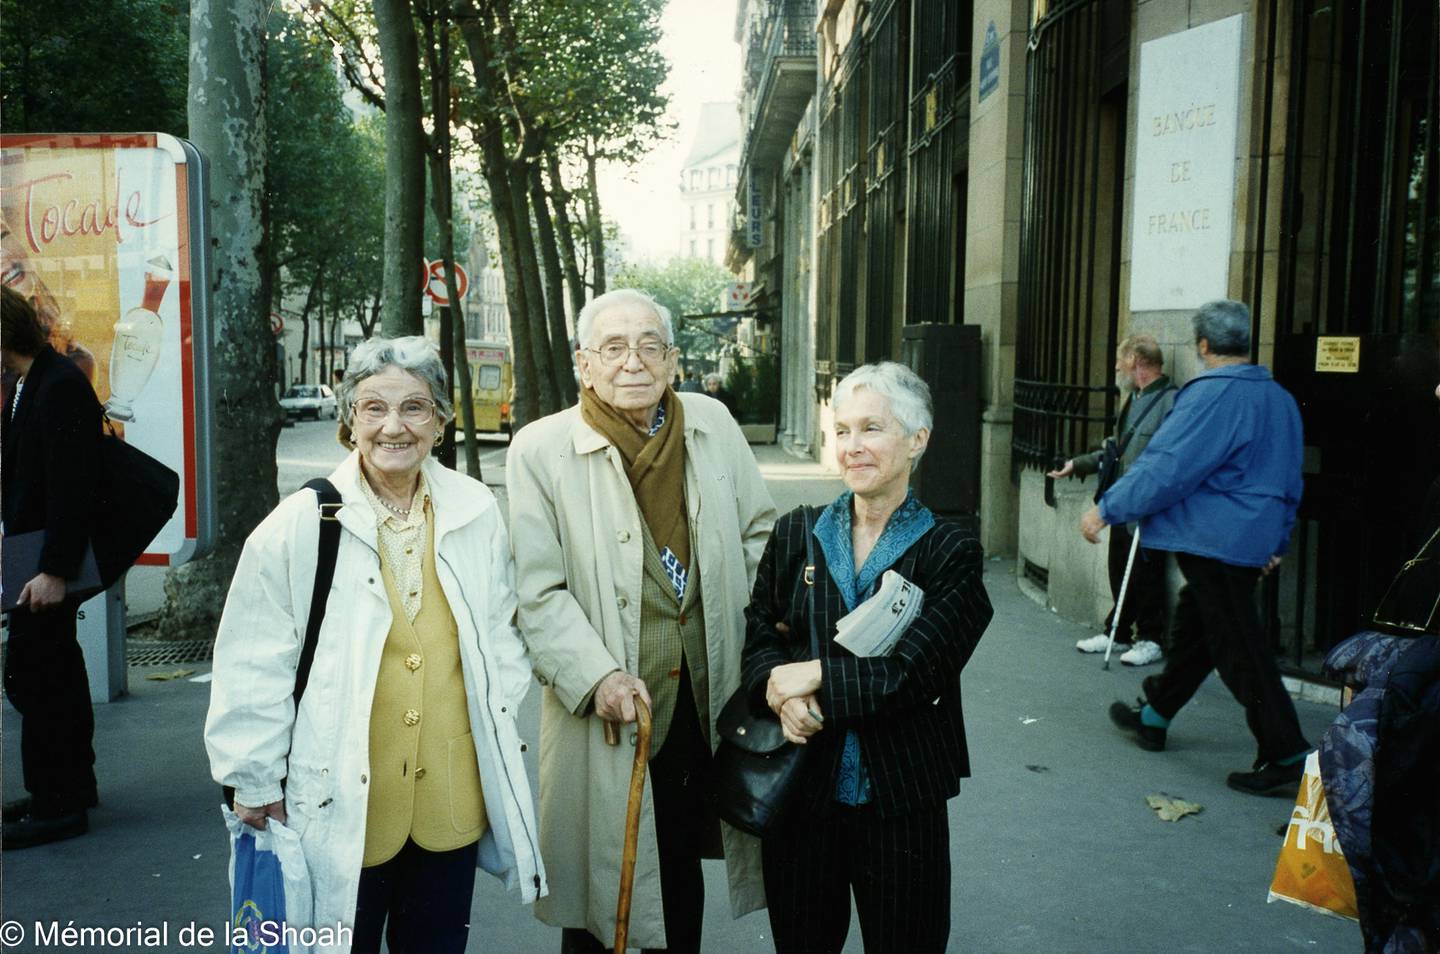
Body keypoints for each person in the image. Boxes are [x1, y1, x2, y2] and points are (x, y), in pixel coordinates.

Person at [205, 336, 544, 954]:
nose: (395, 426)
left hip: (447, 802)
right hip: (341, 805)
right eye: (373, 408)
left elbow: (501, 632)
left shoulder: (474, 509)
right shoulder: (301, 523)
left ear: (440, 421)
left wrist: (494, 705)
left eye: (415, 407)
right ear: (349, 422)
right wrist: (252, 777)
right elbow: (253, 661)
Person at [507, 288, 776, 953]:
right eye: (614, 347)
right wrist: (596, 675)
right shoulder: (541, 450)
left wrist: (741, 628)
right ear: (584, 364)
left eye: (650, 345)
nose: (634, 362)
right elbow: (536, 590)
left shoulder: (711, 424)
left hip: (700, 696)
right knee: (604, 879)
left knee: (679, 866)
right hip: (605, 705)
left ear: (674, 359)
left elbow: (760, 535)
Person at [741, 361, 993, 953]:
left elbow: (914, 673)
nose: (853, 447)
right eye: (843, 430)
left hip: (902, 798)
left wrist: (816, 675)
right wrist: (779, 690)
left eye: (872, 429)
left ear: (917, 440)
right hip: (802, 790)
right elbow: (759, 634)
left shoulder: (949, 552)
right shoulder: (796, 534)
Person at [1085, 299, 1312, 796]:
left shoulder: (1209, 395)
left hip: (1213, 538)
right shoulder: (1278, 398)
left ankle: (1288, 752)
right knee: (1198, 629)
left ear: (1203, 346)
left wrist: (1107, 508)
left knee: (1238, 647)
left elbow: (1169, 466)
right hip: (1250, 539)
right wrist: (1278, 538)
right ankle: (1155, 715)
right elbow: (1288, 478)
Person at [0, 285, 102, 849]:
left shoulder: (57, 385)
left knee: (37, 676)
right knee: (52, 671)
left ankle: (56, 803)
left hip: (45, 565)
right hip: (33, 559)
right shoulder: (29, 383)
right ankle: (67, 788)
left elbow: (72, 488)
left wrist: (56, 570)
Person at [1048, 335, 1177, 666]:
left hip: (1148, 504)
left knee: (1147, 573)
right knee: (1120, 568)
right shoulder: (1133, 399)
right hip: (1121, 500)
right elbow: (1114, 447)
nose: (1117, 367)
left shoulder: (1169, 401)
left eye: (1120, 360)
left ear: (1136, 360)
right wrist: (1078, 464)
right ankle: (1118, 632)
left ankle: (1150, 637)